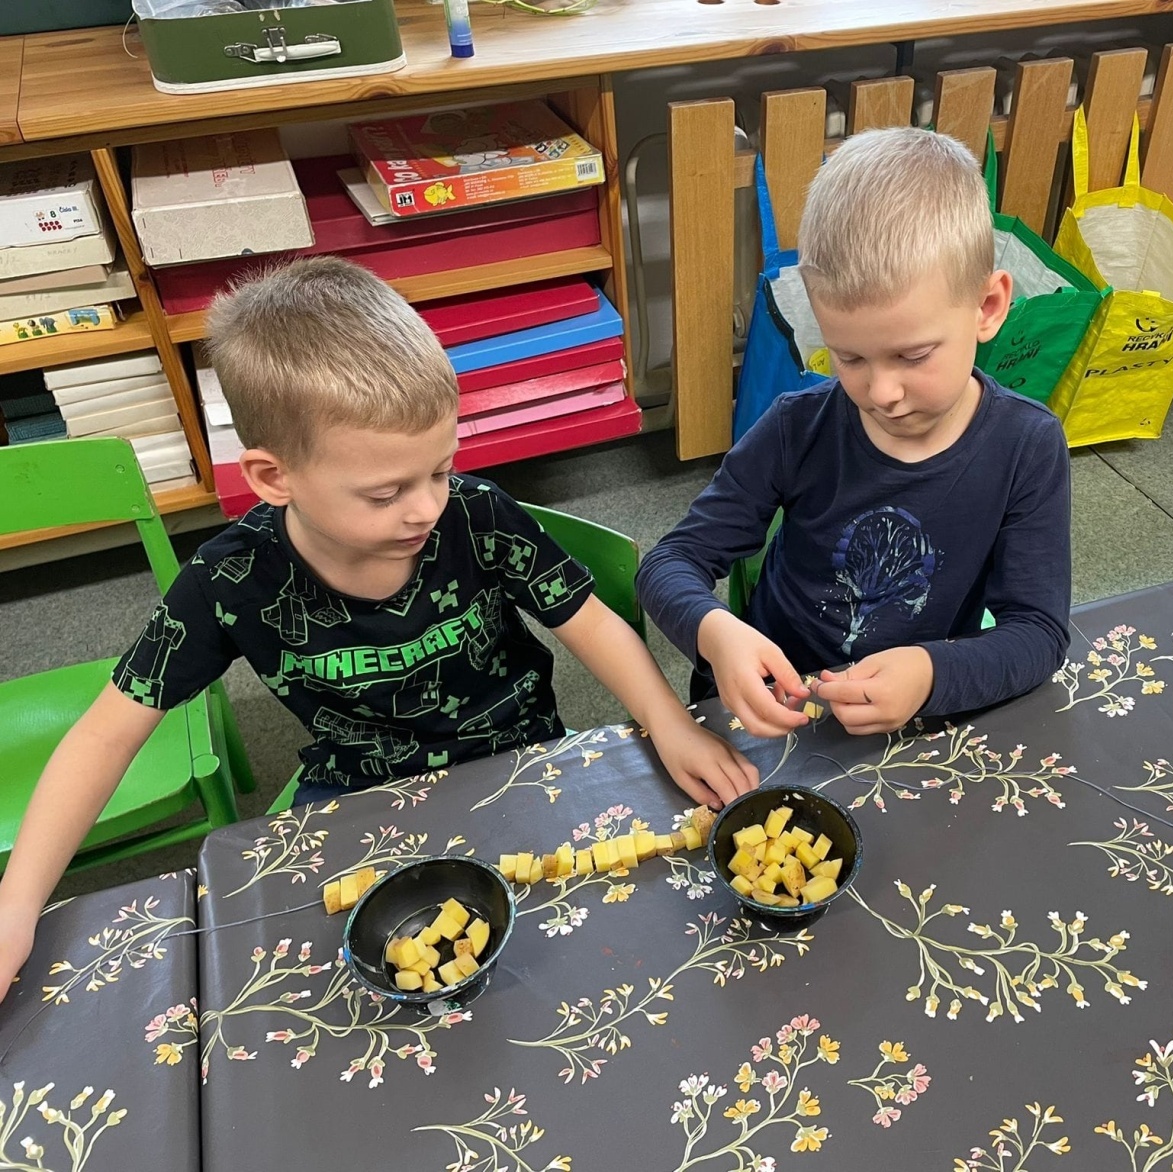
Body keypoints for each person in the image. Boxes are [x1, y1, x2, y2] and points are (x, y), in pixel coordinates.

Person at [0, 257, 757, 1001]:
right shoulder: (229, 580)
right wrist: (16, 903)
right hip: (356, 788)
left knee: (598, 951)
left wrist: (668, 724)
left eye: (440, 469)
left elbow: (585, 618)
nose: (427, 508)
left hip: (516, 757)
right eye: (386, 493)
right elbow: (105, 736)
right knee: (317, 988)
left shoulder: (476, 514)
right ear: (273, 478)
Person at [637, 126, 1070, 741]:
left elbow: (1039, 633)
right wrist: (716, 632)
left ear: (988, 307)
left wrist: (931, 673)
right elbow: (670, 562)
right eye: (849, 358)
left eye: (913, 356)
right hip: (774, 706)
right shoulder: (796, 426)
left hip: (917, 715)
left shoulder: (1027, 446)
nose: (881, 392)